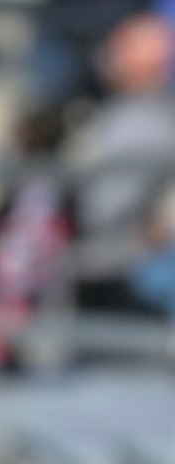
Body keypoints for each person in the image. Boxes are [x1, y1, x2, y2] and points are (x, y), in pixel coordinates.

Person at [68, 11, 175, 308]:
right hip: (100, 263)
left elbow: (105, 205)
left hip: (133, 272)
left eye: (125, 45)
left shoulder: (152, 121)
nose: (110, 52)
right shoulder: (112, 111)